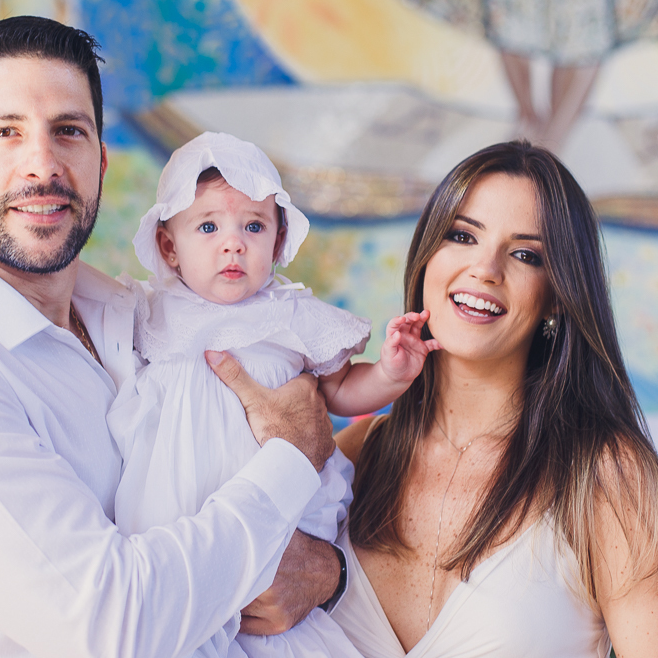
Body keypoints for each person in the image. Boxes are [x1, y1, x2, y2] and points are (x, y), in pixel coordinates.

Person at [0, 16, 346, 658]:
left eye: (67, 131)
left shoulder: (145, 316)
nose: (42, 165)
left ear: (100, 162)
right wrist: (292, 459)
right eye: (5, 132)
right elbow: (110, 625)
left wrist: (326, 572)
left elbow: (289, 533)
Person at [330, 141, 658, 657]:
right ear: (426, 257)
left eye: (525, 254)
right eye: (462, 236)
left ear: (557, 296)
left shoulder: (608, 479)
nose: (485, 269)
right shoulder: (356, 455)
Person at [107, 131, 440, 658]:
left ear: (279, 239)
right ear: (169, 246)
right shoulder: (147, 311)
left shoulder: (289, 315)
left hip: (275, 526)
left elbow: (341, 389)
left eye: (254, 226)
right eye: (209, 226)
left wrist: (392, 374)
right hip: (174, 522)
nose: (233, 243)